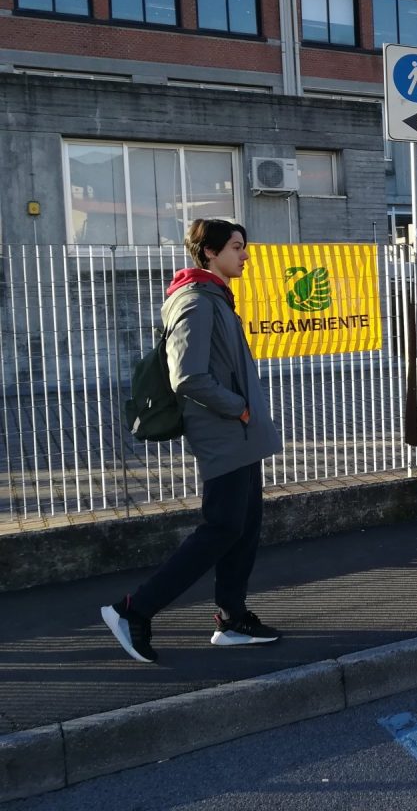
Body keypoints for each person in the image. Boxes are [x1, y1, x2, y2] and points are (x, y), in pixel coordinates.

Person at [101, 219, 284, 664]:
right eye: (237, 247)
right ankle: (134, 610)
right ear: (209, 253)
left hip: (242, 437)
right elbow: (188, 377)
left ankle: (232, 618)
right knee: (221, 529)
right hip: (225, 435)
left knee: (243, 528)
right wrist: (238, 408)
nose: (245, 255)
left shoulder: (216, 298)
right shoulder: (195, 303)